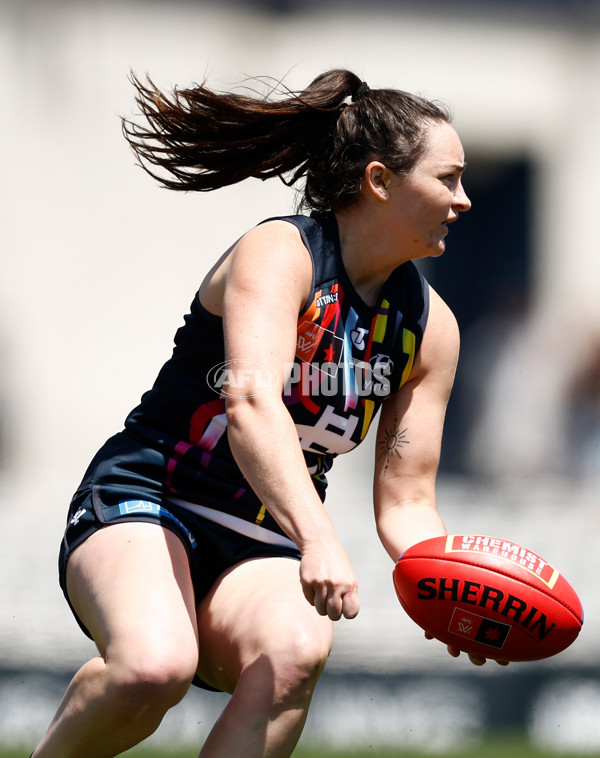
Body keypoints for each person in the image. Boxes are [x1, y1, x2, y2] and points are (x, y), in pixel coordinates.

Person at [33, 67, 478, 758]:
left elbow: (408, 498)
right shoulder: (282, 253)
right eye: (447, 179)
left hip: (262, 537)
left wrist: (457, 595)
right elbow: (249, 403)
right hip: (152, 498)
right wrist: (321, 537)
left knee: (299, 648)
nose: (464, 200)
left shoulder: (431, 328)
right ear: (380, 181)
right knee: (154, 666)